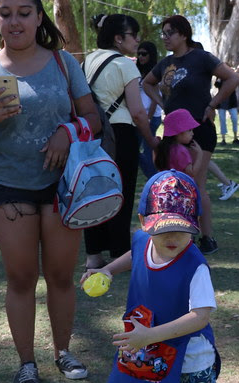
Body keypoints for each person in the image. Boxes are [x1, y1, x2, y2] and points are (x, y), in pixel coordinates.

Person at [0, 0, 100, 383]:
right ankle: (26, 363)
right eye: (5, 13)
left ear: (39, 17)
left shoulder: (62, 63)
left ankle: (63, 351)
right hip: (8, 185)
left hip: (62, 185)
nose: (14, 20)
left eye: (24, 12)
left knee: (60, 275)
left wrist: (67, 132)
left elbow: (93, 118)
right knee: (21, 277)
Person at [82, 170, 217, 383]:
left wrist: (149, 336)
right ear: (144, 222)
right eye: (164, 229)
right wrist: (107, 270)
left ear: (196, 226)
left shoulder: (195, 266)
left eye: (182, 230)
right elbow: (137, 254)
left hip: (191, 356)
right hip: (143, 348)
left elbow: (200, 316)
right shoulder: (144, 240)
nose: (173, 238)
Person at [142, 15, 239, 255]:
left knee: (196, 183)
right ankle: (175, 234)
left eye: (169, 33)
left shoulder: (201, 57)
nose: (165, 37)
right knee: (172, 184)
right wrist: (163, 103)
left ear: (183, 34)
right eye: (164, 33)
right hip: (173, 132)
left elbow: (233, 78)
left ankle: (206, 238)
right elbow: (147, 84)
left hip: (199, 128)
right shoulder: (164, 64)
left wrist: (212, 106)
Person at [83, 13, 161, 270]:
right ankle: (119, 252)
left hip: (92, 133)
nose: (138, 40)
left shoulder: (87, 61)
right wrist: (151, 140)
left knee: (93, 190)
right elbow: (138, 112)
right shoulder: (126, 64)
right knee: (121, 192)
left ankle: (93, 254)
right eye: (133, 35)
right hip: (120, 133)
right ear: (118, 38)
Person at [136, 40, 162, 179]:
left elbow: (154, 98)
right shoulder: (137, 71)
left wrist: (149, 117)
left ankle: (154, 180)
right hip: (140, 116)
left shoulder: (155, 72)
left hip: (151, 117)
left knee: (146, 150)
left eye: (144, 54)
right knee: (136, 150)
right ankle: (155, 178)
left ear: (151, 55)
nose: (140, 57)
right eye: (139, 53)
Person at [155, 109, 203, 175]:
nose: (192, 133)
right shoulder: (181, 150)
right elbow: (191, 172)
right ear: (179, 132)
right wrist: (200, 154)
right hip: (181, 184)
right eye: (189, 130)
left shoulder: (164, 148)